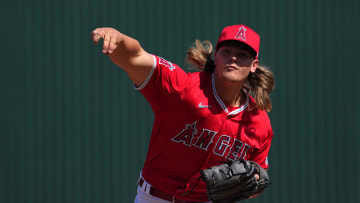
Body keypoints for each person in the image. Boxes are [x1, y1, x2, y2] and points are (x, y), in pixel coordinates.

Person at [91, 24, 275, 203]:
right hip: (155, 197)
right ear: (216, 56)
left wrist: (253, 183)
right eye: (227, 51)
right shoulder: (183, 88)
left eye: (242, 55)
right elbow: (136, 57)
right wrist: (120, 39)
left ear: (253, 65)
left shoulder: (258, 123)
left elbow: (256, 183)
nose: (233, 58)